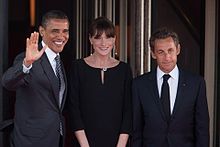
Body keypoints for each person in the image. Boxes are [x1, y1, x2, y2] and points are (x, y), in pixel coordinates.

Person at [1, 10, 69, 147]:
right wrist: (27, 64)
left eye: (65, 31)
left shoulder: (59, 60)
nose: (61, 36)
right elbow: (8, 82)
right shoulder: (28, 58)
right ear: (42, 31)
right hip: (31, 140)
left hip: (55, 137)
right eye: (55, 31)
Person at [132, 27, 209, 147]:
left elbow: (202, 128)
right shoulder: (139, 85)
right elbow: (136, 130)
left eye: (170, 50)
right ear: (153, 54)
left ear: (178, 49)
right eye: (161, 52)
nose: (167, 57)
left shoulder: (196, 84)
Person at [67, 17, 132, 147]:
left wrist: (121, 145)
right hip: (83, 142)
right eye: (98, 37)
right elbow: (74, 109)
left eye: (108, 37)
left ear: (114, 40)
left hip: (118, 142)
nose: (103, 43)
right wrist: (84, 145)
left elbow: (128, 110)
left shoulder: (124, 70)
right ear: (90, 39)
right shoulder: (78, 67)